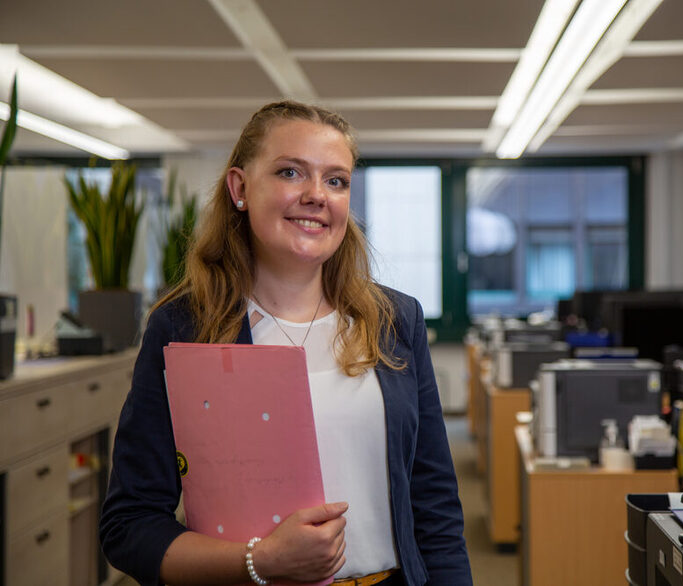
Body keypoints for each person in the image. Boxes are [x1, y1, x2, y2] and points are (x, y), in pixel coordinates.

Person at [99, 101, 472, 586]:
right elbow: (129, 526)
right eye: (291, 172)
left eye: (336, 180)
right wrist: (259, 562)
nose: (317, 195)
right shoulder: (184, 327)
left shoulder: (394, 321)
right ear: (240, 188)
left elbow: (435, 506)